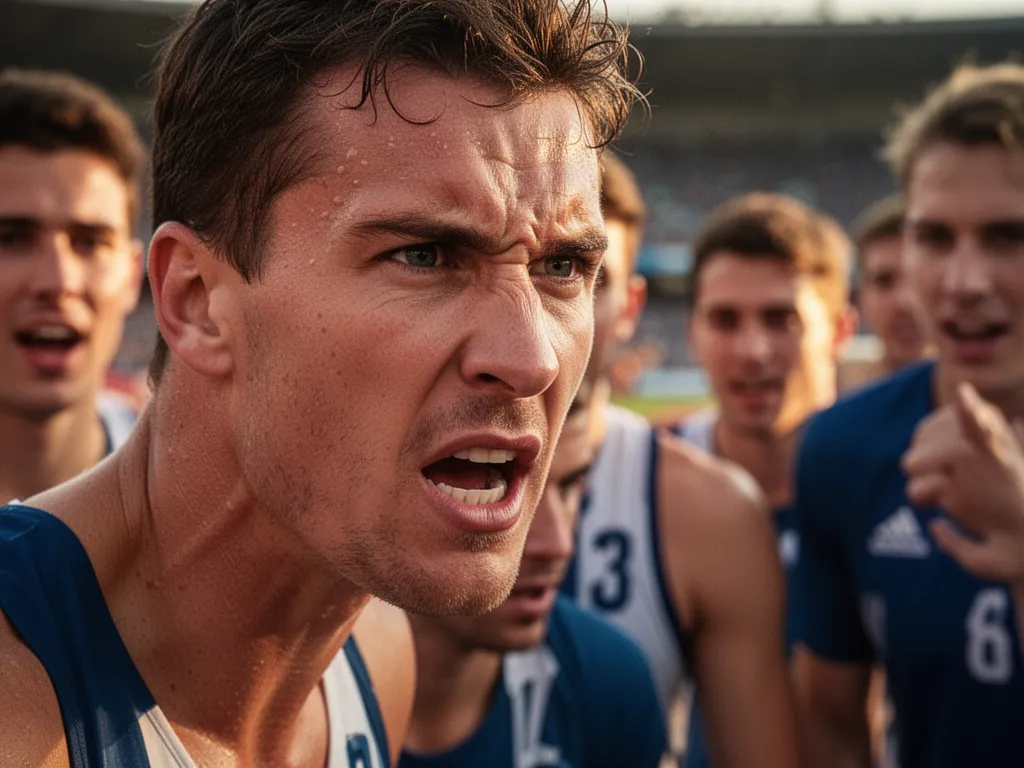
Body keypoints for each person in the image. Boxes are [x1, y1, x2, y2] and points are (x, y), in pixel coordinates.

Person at [0, 1, 640, 766]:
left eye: (561, 266)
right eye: (426, 256)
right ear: (196, 301)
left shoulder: (374, 653)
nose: (531, 357)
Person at [792, 62, 1024, 768]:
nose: (964, 281)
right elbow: (831, 717)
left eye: (1009, 236)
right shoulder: (844, 447)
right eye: (933, 237)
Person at [562, 158, 800, 768]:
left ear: (632, 305)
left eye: (579, 272)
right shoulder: (373, 490)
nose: (553, 306)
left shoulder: (709, 512)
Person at [673, 193, 858, 767]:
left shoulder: (897, 482)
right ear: (694, 333)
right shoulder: (649, 485)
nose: (752, 351)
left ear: (841, 329)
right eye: (725, 320)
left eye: (782, 320)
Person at [400, 408, 666, 768]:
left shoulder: (608, 683)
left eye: (571, 486)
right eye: (495, 481)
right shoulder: (314, 694)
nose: (558, 544)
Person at [0, 68, 144, 502]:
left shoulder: (205, 502)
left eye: (90, 242)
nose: (58, 281)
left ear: (134, 275)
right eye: (11, 238)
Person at [843, 194, 930, 389]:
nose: (903, 301)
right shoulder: (838, 411)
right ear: (859, 298)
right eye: (884, 281)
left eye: (918, 280)